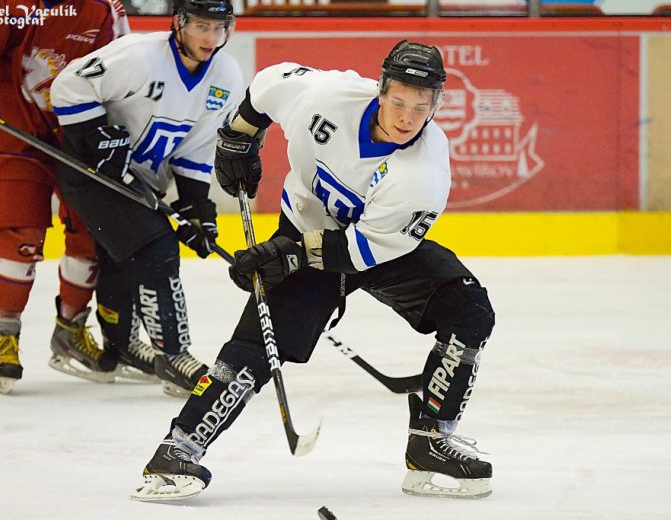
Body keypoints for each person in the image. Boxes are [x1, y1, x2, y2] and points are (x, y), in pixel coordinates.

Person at [134, 40, 496, 500]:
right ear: (381, 91)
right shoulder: (329, 96)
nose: (407, 118)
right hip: (304, 225)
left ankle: (430, 442)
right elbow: (269, 85)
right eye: (399, 103)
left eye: (420, 108)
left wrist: (286, 255)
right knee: (255, 347)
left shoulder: (423, 174)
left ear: (436, 106)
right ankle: (177, 451)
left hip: (374, 249)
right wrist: (240, 133)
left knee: (468, 311)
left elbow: (357, 253)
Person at [50, 0, 244, 397]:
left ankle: (120, 345)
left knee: (123, 257)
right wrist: (97, 137)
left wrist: (196, 208)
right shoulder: (138, 56)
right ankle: (173, 356)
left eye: (219, 27)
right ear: (179, 23)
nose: (211, 37)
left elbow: (196, 145)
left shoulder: (226, 75)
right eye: (201, 26)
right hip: (91, 173)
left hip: (140, 180)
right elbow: (68, 86)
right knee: (156, 246)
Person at [0, 0, 146, 395]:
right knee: (22, 237)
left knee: (89, 235)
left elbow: (125, 73)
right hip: (12, 134)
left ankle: (70, 329)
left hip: (75, 140)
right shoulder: (5, 5)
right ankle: (5, 335)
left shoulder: (103, 10)